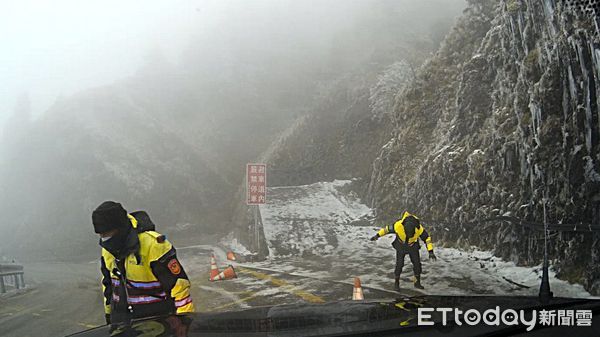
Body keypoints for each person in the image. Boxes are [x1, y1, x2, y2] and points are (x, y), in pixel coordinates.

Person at [92, 201, 194, 325]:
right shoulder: (107, 250)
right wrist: (109, 317)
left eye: (107, 234)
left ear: (120, 228)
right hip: (122, 324)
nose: (104, 239)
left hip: (159, 324)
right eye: (101, 235)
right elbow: (108, 286)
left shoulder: (155, 245)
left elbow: (179, 288)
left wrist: (184, 324)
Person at [370, 211, 436, 290]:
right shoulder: (398, 225)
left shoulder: (419, 228)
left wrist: (430, 251)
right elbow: (386, 230)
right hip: (401, 246)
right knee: (399, 264)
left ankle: (417, 282)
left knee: (417, 264)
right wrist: (377, 235)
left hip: (413, 246)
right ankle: (396, 282)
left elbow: (427, 239)